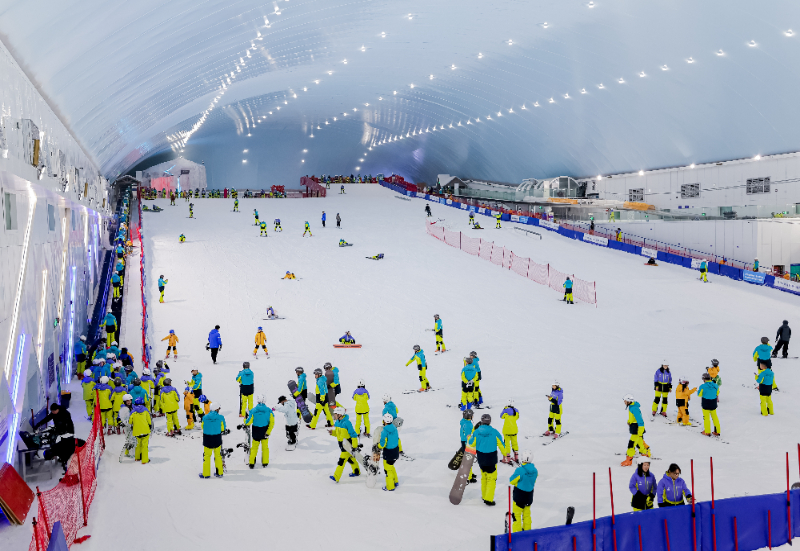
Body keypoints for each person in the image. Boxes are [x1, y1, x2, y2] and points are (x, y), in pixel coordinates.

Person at [468, 414, 509, 506]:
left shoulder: (477, 432)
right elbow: (501, 444)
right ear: (489, 421)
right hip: (491, 458)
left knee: (484, 477)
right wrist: (505, 454)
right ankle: (488, 499)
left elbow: (471, 443)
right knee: (491, 478)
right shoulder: (494, 432)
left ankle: (484, 495)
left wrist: (470, 437)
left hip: (481, 458)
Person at [33, 403, 76, 471]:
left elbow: (67, 424)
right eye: (52, 411)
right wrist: (39, 424)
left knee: (66, 446)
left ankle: (67, 461)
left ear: (57, 409)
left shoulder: (65, 413)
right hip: (61, 432)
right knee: (61, 445)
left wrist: (61, 430)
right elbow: (47, 418)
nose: (52, 412)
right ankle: (62, 458)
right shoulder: (53, 413)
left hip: (68, 432)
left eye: (53, 411)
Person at [329, 407, 361, 482]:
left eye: (335, 414)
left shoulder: (347, 423)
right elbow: (338, 434)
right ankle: (356, 471)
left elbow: (353, 434)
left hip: (347, 445)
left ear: (340, 414)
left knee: (342, 461)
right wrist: (332, 432)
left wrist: (354, 446)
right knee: (350, 459)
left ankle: (336, 476)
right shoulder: (337, 423)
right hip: (341, 444)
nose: (334, 415)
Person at [509, 450, 538, 531]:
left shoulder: (520, 470)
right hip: (529, 496)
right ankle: (527, 531)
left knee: (517, 515)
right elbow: (533, 480)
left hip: (519, 496)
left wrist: (517, 483)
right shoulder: (535, 471)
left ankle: (517, 533)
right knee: (527, 514)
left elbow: (511, 480)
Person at [620, 394, 650, 466]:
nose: (624, 402)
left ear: (629, 401)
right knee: (639, 443)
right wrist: (629, 421)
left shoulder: (634, 408)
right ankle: (645, 454)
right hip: (634, 427)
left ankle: (629, 460)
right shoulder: (631, 407)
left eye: (625, 401)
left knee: (631, 444)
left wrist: (640, 430)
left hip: (637, 429)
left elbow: (640, 420)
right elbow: (633, 417)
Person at [245, 395, 274, 469]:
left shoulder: (253, 410)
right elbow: (272, 422)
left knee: (254, 448)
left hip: (256, 431)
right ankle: (265, 463)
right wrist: (268, 432)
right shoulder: (269, 411)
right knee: (265, 448)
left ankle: (251, 463)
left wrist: (245, 419)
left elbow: (248, 422)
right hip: (265, 432)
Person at [200, 403, 227, 478]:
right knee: (218, 456)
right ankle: (219, 473)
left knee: (207, 456)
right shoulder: (221, 417)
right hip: (217, 438)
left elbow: (202, 427)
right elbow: (223, 428)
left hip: (207, 439)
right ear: (216, 409)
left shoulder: (205, 417)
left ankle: (206, 474)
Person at [377, 413, 400, 491]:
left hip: (388, 453)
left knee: (387, 470)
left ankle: (390, 487)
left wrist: (378, 445)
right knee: (391, 466)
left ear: (384, 421)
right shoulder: (395, 428)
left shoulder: (384, 431)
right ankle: (396, 481)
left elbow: (382, 444)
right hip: (395, 451)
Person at [130, 397, 152, 464]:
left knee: (138, 444)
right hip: (145, 430)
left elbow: (130, 422)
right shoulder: (146, 411)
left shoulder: (133, 412)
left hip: (136, 431)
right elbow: (149, 421)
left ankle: (137, 458)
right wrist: (150, 426)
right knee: (144, 446)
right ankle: (145, 460)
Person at [500, 399, 520, 464]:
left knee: (507, 444)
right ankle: (516, 457)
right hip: (514, 430)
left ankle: (507, 458)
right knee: (515, 443)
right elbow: (517, 418)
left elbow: (501, 416)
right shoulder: (516, 411)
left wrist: (504, 409)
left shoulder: (505, 411)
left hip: (507, 431)